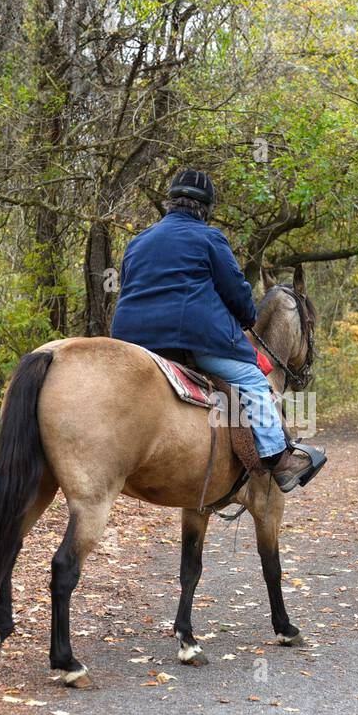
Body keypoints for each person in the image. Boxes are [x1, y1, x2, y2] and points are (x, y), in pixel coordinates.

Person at [110, 169, 325, 492]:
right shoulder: (209, 238)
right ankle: (279, 460)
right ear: (206, 209)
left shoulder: (139, 240)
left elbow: (130, 287)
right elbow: (238, 296)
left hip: (132, 341)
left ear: (172, 202)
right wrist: (246, 316)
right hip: (191, 340)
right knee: (253, 380)